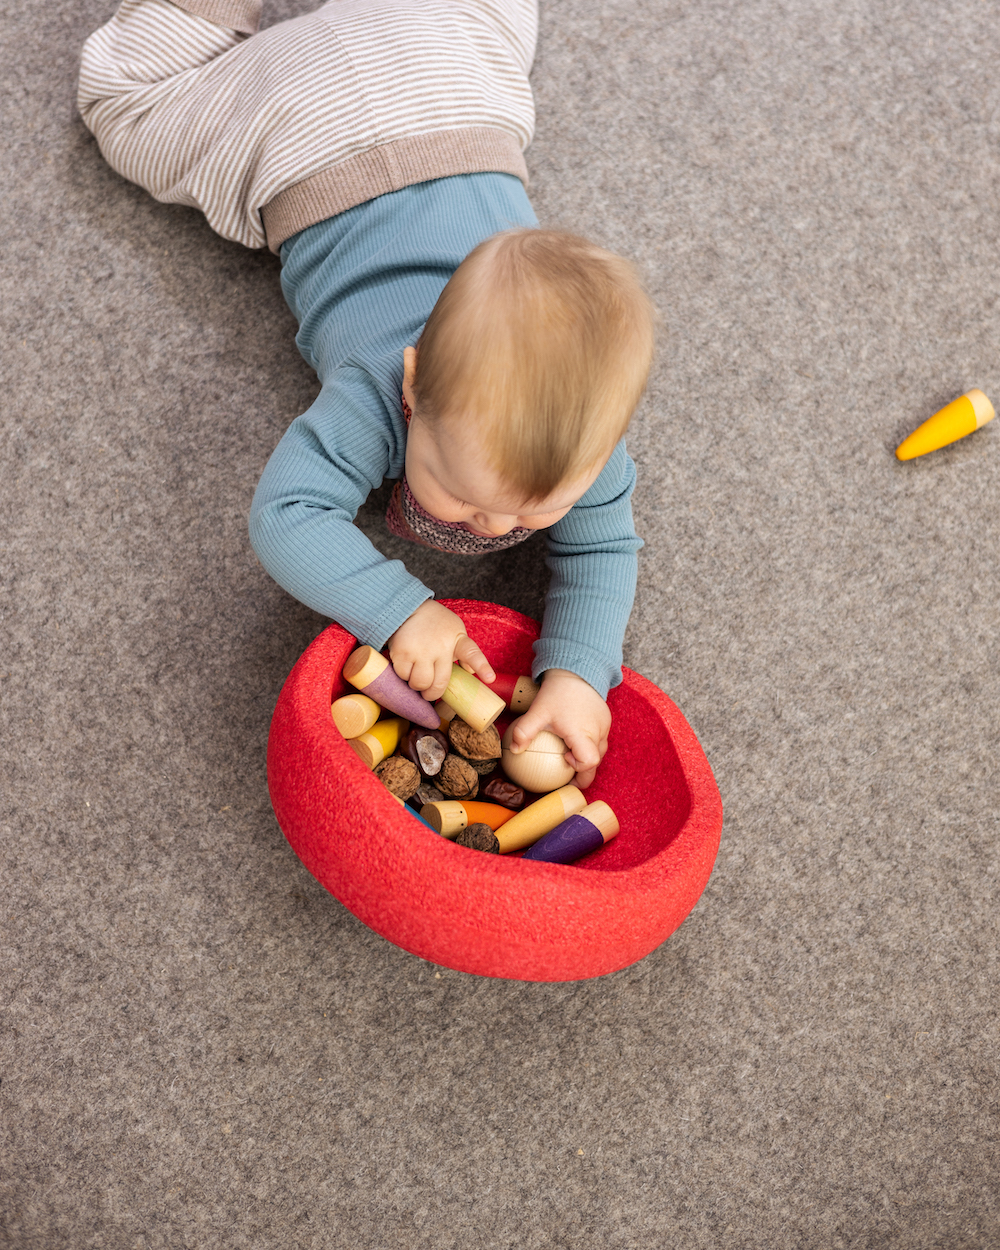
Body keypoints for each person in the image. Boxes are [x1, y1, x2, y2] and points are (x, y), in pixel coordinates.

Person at [77, 0, 656, 788]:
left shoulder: (587, 448)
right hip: (306, 126)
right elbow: (286, 516)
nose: (495, 526)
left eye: (534, 511)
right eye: (461, 492)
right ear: (414, 387)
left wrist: (582, 673)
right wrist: (399, 606)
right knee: (126, 103)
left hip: (445, 69)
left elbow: (603, 545)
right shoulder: (377, 392)